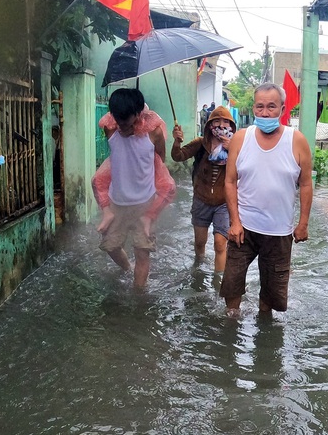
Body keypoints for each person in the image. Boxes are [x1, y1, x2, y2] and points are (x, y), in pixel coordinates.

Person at [219, 82, 313, 315]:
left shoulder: (297, 140)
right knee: (231, 284)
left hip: (279, 232)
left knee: (271, 296)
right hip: (244, 229)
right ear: (253, 109)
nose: (265, 112)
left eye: (271, 106)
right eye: (259, 106)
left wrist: (303, 224)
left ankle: (265, 330)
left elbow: (306, 184)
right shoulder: (241, 138)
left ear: (282, 109)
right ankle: (231, 324)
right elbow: (230, 181)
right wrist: (234, 222)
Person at [93, 88, 168, 288]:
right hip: (117, 202)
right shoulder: (110, 129)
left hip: (145, 203)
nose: (122, 127)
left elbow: (161, 161)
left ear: (138, 114)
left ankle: (138, 297)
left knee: (142, 251)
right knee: (110, 246)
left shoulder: (154, 133)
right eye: (118, 121)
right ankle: (127, 267)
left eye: (126, 122)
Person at [170, 105, 236, 273]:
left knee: (220, 243)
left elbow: (246, 169)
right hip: (201, 200)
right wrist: (177, 142)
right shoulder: (201, 143)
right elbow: (178, 156)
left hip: (223, 202)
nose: (221, 125)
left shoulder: (236, 146)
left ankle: (218, 282)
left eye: (225, 122)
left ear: (231, 126)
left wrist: (233, 150)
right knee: (200, 242)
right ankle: (198, 270)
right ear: (209, 125)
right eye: (217, 121)